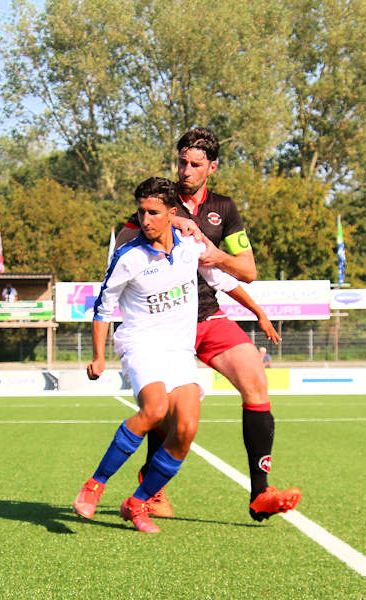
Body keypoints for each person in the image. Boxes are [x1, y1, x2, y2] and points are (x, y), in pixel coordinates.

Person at [116, 128, 300, 522]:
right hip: (164, 323)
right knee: (168, 409)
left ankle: (260, 494)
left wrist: (216, 254)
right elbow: (122, 246)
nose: (185, 170)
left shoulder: (224, 209)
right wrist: (165, 232)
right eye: (182, 162)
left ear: (211, 167)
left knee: (255, 377)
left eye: (195, 164)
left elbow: (247, 270)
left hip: (208, 314)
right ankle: (151, 490)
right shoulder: (159, 201)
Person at [72, 177, 242, 533]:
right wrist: (99, 357)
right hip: (141, 344)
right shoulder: (128, 256)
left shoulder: (191, 248)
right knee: (155, 409)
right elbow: (103, 307)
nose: (145, 219)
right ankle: (94, 485)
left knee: (186, 429)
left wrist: (259, 312)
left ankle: (137, 503)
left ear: (171, 213)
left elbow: (224, 280)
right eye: (141, 212)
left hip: (179, 350)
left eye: (153, 212)